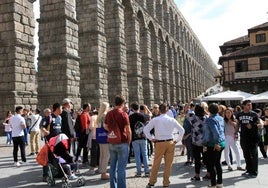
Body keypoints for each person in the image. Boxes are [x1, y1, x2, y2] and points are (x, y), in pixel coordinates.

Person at [143, 103, 185, 188]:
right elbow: (182, 130)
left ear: (159, 110)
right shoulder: (171, 119)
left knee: (156, 163)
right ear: (167, 110)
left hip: (159, 142)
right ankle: (166, 183)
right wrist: (177, 140)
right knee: (168, 164)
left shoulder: (155, 120)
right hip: (170, 142)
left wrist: (151, 138)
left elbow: (145, 129)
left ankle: (152, 182)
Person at [105, 95, 132, 188]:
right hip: (122, 142)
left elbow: (105, 126)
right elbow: (128, 130)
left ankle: (113, 186)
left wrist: (112, 131)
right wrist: (129, 141)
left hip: (112, 142)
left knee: (112, 167)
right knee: (121, 168)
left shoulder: (109, 113)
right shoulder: (124, 114)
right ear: (122, 103)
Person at [203, 103, 225, 188]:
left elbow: (215, 132)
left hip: (213, 144)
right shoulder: (220, 118)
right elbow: (222, 130)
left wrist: (216, 143)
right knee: (217, 163)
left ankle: (213, 184)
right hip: (222, 142)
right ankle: (219, 183)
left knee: (211, 165)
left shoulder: (210, 119)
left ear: (209, 110)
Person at [236, 100, 259, 178]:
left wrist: (252, 126)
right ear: (244, 106)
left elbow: (260, 124)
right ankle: (248, 170)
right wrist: (235, 133)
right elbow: (238, 124)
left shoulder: (254, 114)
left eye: (251, 105)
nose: (250, 106)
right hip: (244, 137)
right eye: (248, 105)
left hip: (253, 138)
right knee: (246, 155)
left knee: (254, 155)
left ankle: (254, 172)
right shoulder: (239, 114)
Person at [40, 103, 63, 180]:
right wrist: (45, 131)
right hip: (50, 142)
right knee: (47, 158)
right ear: (57, 109)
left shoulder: (59, 117)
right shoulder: (49, 118)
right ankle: (45, 175)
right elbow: (42, 127)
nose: (62, 110)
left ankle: (58, 173)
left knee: (57, 158)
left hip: (58, 141)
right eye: (61, 108)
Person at [129, 102, 150, 177]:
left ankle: (139, 172)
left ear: (132, 108)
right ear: (138, 108)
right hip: (143, 136)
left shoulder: (130, 117)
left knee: (137, 155)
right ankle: (147, 171)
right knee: (145, 154)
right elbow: (148, 122)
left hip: (134, 138)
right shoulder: (143, 115)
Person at [189, 104, 208, 181]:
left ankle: (197, 175)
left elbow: (187, 111)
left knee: (197, 160)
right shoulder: (206, 118)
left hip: (196, 142)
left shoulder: (192, 118)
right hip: (204, 142)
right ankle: (209, 173)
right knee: (206, 159)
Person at [96, 102, 110, 180]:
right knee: (106, 155)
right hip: (105, 137)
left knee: (102, 155)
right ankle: (104, 173)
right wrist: (110, 130)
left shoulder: (100, 115)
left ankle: (101, 170)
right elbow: (105, 126)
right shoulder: (105, 115)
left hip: (100, 136)